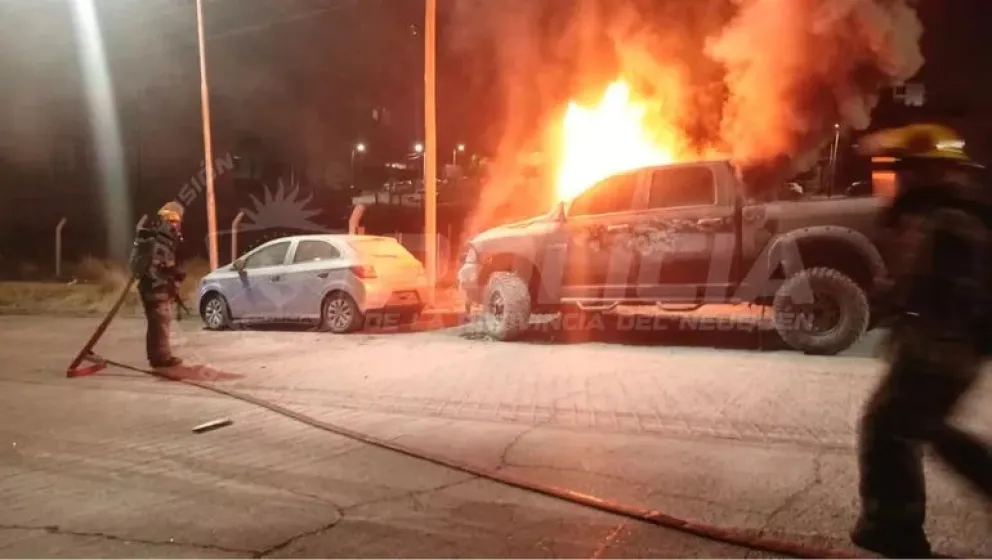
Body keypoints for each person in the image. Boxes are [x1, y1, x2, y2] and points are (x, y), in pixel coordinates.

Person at [852, 123, 992, 558]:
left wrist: (885, 298)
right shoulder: (961, 215)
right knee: (924, 429)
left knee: (884, 428)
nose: (896, 179)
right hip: (954, 351)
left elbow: (918, 286)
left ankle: (892, 528)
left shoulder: (939, 220)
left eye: (903, 169)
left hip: (936, 350)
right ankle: (894, 526)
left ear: (926, 172)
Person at [130, 201, 187, 368]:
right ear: (167, 221)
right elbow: (156, 266)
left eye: (177, 222)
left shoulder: (161, 239)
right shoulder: (160, 240)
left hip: (156, 288)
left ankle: (157, 357)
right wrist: (172, 273)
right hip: (155, 289)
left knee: (158, 325)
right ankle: (161, 358)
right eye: (174, 222)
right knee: (160, 325)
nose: (177, 225)